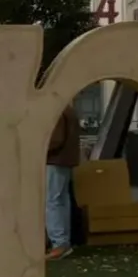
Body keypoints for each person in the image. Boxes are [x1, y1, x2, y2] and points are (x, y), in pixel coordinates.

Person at [46, 101, 81, 259]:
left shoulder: (56, 109)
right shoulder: (68, 109)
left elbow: (55, 140)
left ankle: (59, 243)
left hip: (54, 161)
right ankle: (63, 242)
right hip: (65, 160)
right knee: (61, 200)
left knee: (52, 201)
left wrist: (37, 149)